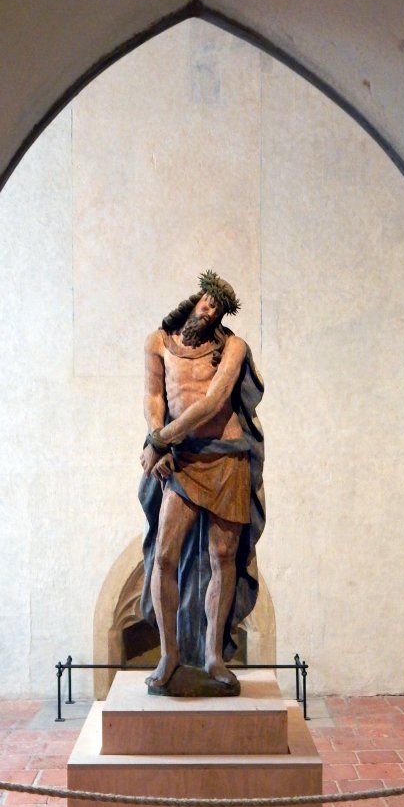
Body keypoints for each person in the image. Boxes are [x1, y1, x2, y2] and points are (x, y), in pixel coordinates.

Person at [138, 270, 265, 691]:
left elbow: (214, 402)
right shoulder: (158, 342)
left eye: (218, 308)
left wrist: (160, 441)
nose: (209, 311)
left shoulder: (233, 347)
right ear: (196, 299)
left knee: (223, 556)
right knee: (164, 556)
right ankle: (169, 654)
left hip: (227, 457)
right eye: (207, 301)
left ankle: (213, 656)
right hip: (184, 460)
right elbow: (154, 397)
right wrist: (157, 439)